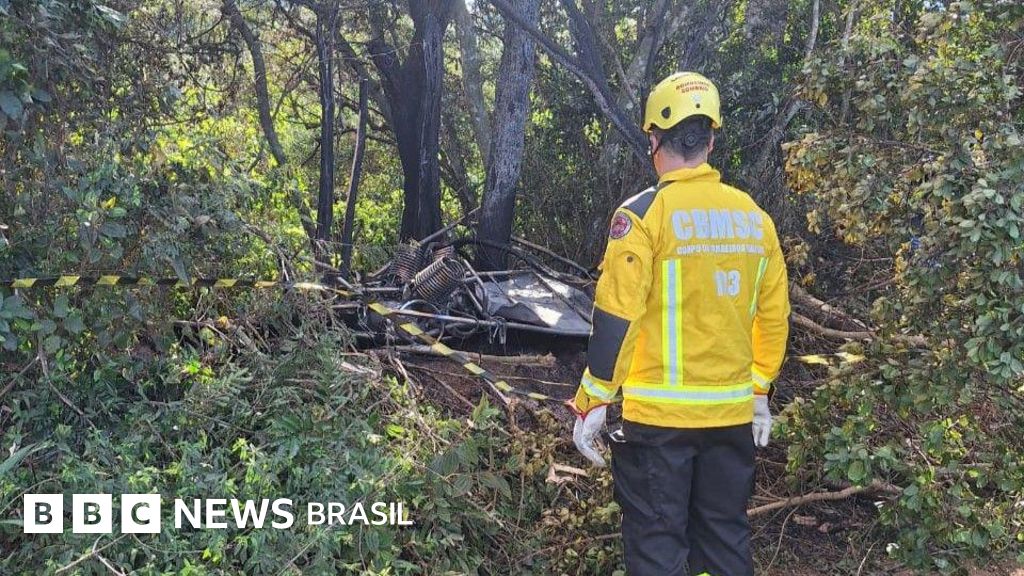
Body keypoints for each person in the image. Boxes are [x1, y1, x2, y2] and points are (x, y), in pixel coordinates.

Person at [569, 71, 790, 576]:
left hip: (658, 427)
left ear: (653, 138)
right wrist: (759, 392)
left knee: (657, 548)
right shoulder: (755, 218)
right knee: (724, 540)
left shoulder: (644, 215)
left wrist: (595, 399)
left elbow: (617, 315)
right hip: (732, 419)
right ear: (711, 138)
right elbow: (774, 315)